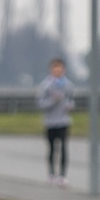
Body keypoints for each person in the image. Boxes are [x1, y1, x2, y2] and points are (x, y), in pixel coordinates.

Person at [37, 58, 76, 186]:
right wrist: (53, 100)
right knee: (52, 148)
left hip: (63, 121)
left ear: (63, 70)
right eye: (55, 68)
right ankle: (51, 174)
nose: (57, 71)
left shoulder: (68, 85)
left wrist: (70, 106)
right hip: (50, 122)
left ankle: (63, 175)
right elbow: (40, 104)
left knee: (64, 148)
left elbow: (72, 100)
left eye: (60, 68)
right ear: (51, 70)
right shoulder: (45, 85)